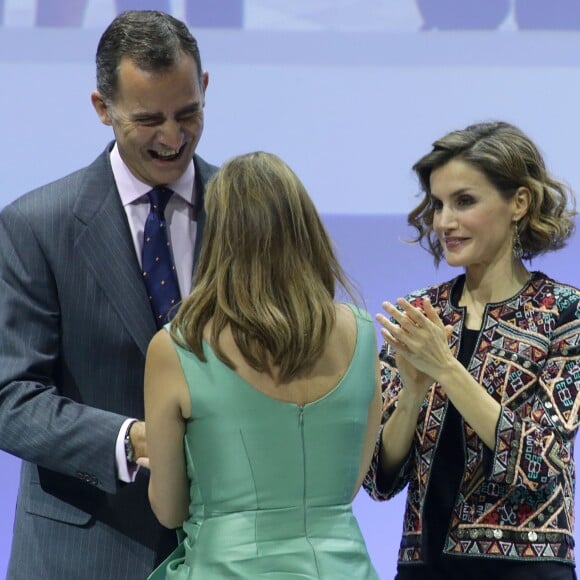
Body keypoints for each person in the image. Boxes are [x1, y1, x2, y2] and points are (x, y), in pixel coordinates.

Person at [0, 10, 217, 580]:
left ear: (206, 88)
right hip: (82, 551)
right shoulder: (36, 225)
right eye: (148, 119)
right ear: (102, 108)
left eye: (188, 113)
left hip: (230, 547)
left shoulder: (251, 213)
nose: (173, 138)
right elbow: (10, 397)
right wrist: (131, 441)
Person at [142, 151, 382, 579]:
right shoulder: (362, 335)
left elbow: (168, 509)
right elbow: (345, 487)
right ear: (305, 228)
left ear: (218, 238)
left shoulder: (178, 348)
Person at [364, 121, 580, 580]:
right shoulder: (421, 316)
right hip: (424, 569)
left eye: (464, 201)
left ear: (519, 202)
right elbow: (380, 480)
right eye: (438, 204)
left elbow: (537, 464)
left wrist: (446, 369)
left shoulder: (566, 314)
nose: (444, 221)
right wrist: (412, 395)